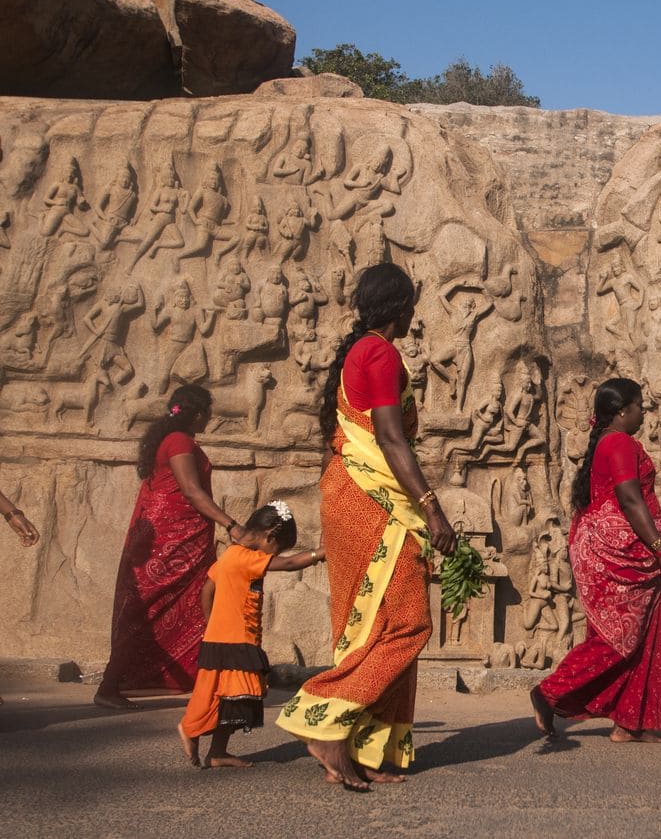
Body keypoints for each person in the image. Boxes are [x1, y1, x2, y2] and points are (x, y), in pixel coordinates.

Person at [275, 262, 455, 790]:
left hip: (355, 493)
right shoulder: (378, 351)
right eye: (413, 302)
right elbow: (391, 438)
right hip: (372, 501)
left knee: (369, 624)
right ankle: (328, 720)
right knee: (407, 624)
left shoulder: (363, 350)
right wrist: (431, 505)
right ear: (401, 306)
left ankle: (370, 749)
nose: (415, 312)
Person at [530, 379, 661, 742]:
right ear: (621, 412)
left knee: (644, 635)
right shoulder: (618, 443)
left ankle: (632, 721)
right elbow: (630, 499)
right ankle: (550, 692)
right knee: (619, 638)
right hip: (618, 555)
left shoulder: (614, 442)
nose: (643, 412)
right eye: (639, 406)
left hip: (627, 551)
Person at [95, 385, 248, 710]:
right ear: (198, 414)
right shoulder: (179, 442)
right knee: (144, 611)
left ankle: (208, 678)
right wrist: (231, 524)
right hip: (169, 542)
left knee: (195, 603)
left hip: (182, 540)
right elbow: (191, 491)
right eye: (208, 413)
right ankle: (110, 685)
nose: (209, 420)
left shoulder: (177, 440)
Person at [177, 501, 323, 768]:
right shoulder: (245, 558)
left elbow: (207, 589)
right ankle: (190, 729)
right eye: (276, 548)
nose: (274, 554)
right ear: (269, 536)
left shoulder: (231, 556)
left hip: (233, 639)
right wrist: (320, 553)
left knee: (233, 699)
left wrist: (212, 623)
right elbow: (290, 563)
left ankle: (217, 752)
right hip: (233, 641)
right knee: (221, 695)